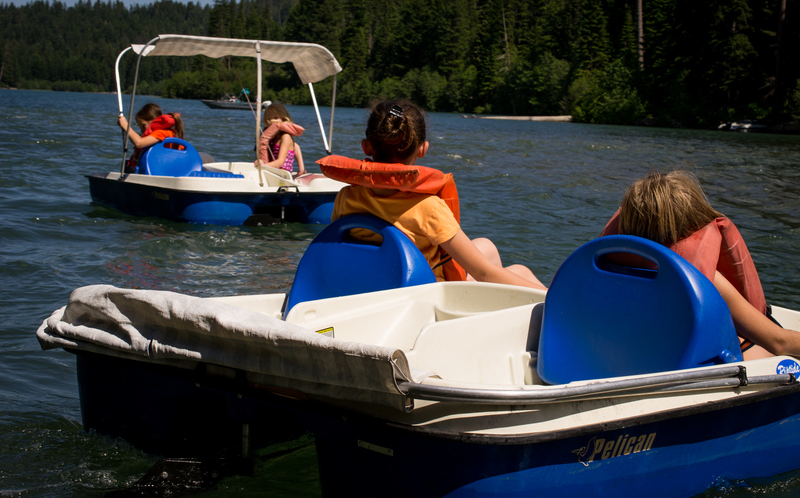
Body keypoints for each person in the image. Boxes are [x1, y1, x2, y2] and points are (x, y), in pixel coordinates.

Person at [318, 99, 546, 290]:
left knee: (486, 245)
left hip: (377, 285)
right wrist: (552, 295)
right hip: (425, 292)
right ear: (423, 149)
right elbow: (484, 274)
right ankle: (563, 306)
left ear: (366, 147)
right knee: (520, 271)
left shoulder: (346, 197)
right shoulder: (428, 207)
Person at [602, 170, 800, 360]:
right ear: (693, 223)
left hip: (626, 356)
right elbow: (779, 342)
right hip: (684, 363)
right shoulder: (701, 279)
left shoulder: (606, 269)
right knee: (769, 352)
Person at [118, 103, 184, 173]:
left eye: (143, 126)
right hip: (160, 168)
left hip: (151, 170)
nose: (142, 130)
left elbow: (139, 143)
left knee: (126, 166)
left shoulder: (161, 133)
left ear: (154, 120)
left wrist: (126, 126)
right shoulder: (169, 132)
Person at [255, 102, 306, 176]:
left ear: (283, 118)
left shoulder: (286, 137)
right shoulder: (275, 139)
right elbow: (301, 170)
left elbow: (280, 162)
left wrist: (262, 166)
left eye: (276, 118)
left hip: (282, 175)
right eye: (269, 118)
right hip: (274, 173)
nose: (272, 120)